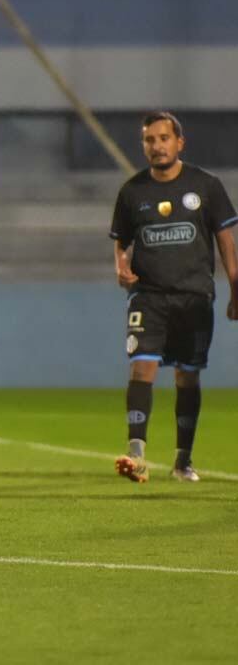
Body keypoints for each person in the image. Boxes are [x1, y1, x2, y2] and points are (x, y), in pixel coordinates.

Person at [110, 111, 238, 483]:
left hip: (194, 296)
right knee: (142, 366)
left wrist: (235, 287)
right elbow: (121, 240)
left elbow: (225, 241)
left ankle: (183, 460)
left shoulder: (206, 186)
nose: (157, 146)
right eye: (150, 140)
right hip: (148, 296)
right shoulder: (132, 192)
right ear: (144, 145)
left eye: (164, 138)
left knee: (188, 375)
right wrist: (121, 265)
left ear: (179, 142)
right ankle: (137, 456)